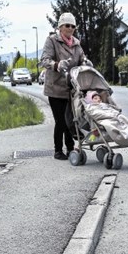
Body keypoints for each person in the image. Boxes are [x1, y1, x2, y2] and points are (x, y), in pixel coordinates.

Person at [40, 12, 91, 160]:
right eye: (67, 25)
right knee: (61, 121)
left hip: (72, 88)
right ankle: (58, 150)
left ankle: (70, 149)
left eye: (72, 26)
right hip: (55, 88)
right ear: (60, 27)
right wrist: (56, 65)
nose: (70, 28)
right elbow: (44, 60)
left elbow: (82, 58)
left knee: (71, 120)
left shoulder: (76, 43)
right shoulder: (52, 41)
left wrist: (86, 62)